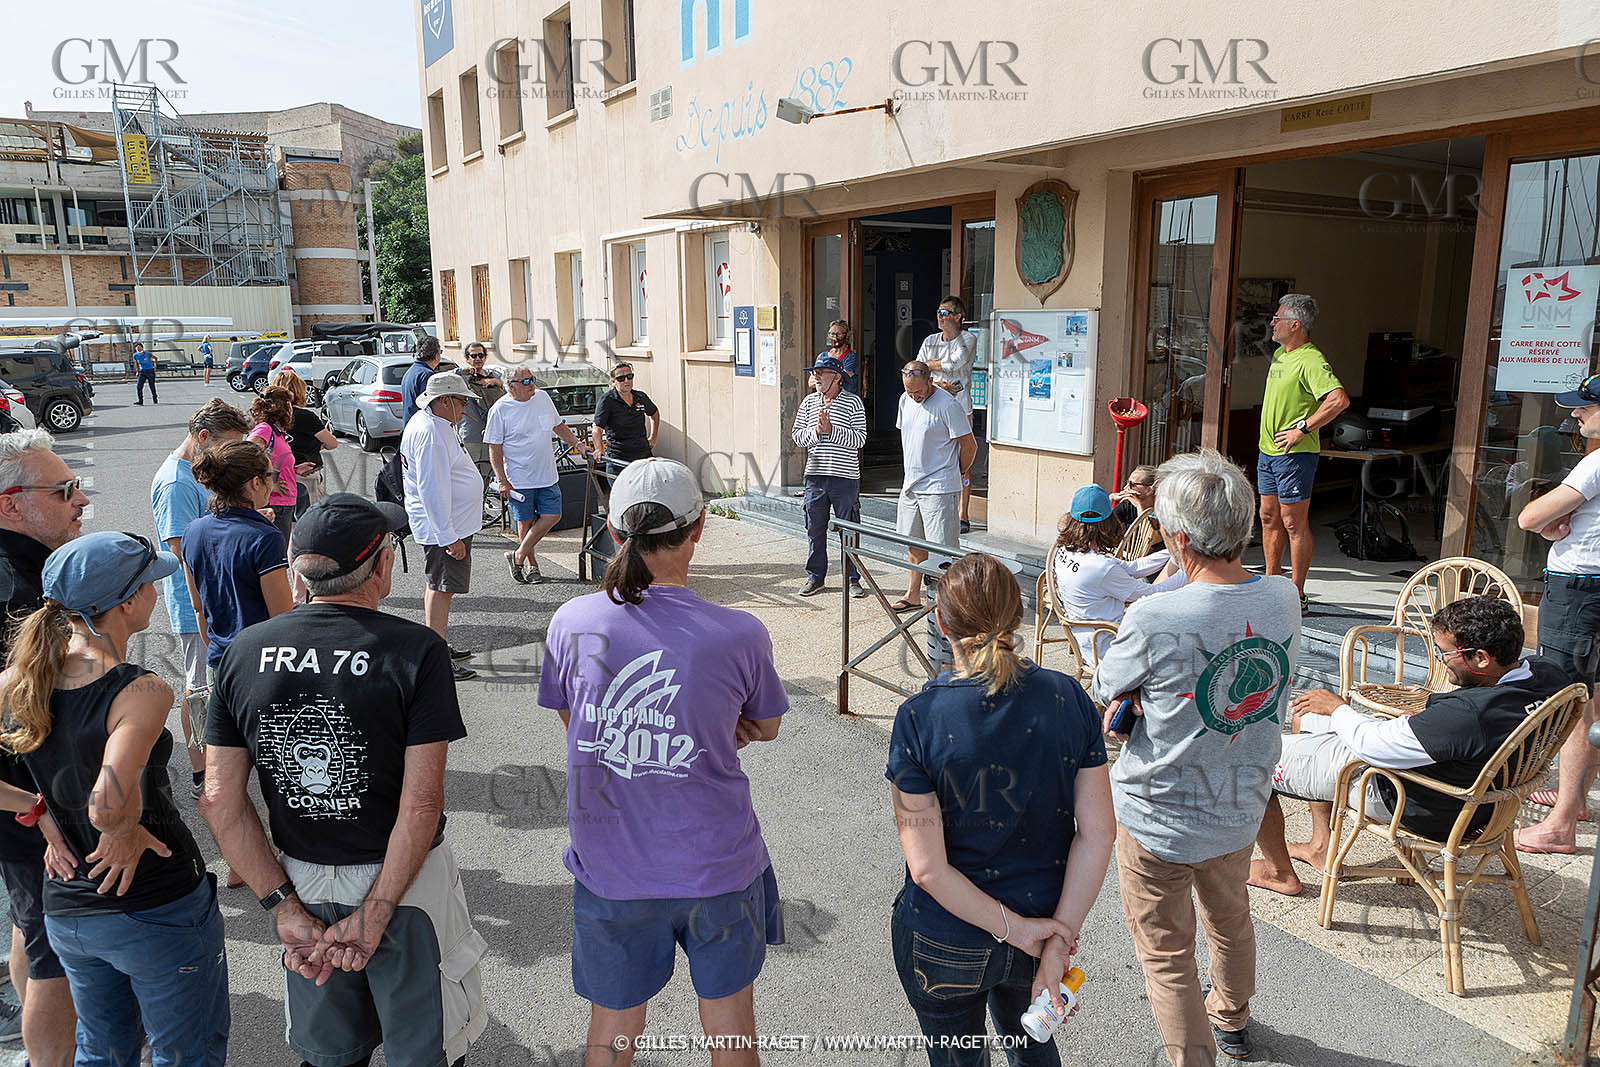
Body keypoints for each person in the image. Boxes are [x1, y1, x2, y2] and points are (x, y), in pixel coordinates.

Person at [200, 493, 485, 1067]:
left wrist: (283, 908)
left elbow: (218, 801)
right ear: (380, 564)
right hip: (406, 889)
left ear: (296, 562)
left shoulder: (243, 652)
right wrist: (377, 910)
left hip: (302, 882)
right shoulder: (417, 651)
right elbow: (421, 802)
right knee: (424, 1052)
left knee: (330, 1056)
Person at [536, 458, 786, 1066]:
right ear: (698, 528)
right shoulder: (739, 632)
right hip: (718, 864)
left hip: (611, 868)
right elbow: (767, 726)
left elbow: (576, 725)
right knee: (731, 1030)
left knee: (612, 1034)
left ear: (615, 534)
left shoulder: (572, 622)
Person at [1091, 449, 1299, 1066]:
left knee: (1166, 953)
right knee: (1231, 921)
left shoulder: (1157, 614)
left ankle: (1192, 1058)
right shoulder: (1284, 596)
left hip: (1160, 810)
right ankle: (1231, 1021)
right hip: (1239, 799)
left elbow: (1108, 683)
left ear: (1178, 538)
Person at [1, 531, 229, 1066]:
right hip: (154, 903)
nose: (156, 590)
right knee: (185, 1052)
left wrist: (40, 812)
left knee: (102, 1050)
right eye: (150, 582)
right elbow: (107, 803)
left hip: (70, 910)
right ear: (127, 603)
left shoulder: (17, 678)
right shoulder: (141, 690)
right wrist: (120, 830)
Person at [888, 552, 1115, 1065]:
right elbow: (1098, 833)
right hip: (1042, 918)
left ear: (940, 621)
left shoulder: (918, 719)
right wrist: (1057, 935)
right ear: (1021, 615)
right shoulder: (1068, 697)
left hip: (946, 935)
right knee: (1033, 1045)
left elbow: (927, 869)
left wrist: (1018, 930)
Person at [1250, 597, 1569, 895]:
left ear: (1481, 658)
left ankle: (1279, 874)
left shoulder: (1469, 715)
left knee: (1252, 762)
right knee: (1306, 722)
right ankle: (1320, 846)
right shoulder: (1548, 674)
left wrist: (1337, 707)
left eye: (1445, 653)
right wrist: (1422, 724)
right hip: (1485, 801)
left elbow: (1371, 745)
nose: (1442, 662)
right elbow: (1452, 726)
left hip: (1414, 799)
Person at [0, 429, 85, 1061]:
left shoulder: (30, 573)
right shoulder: (21, 594)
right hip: (34, 805)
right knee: (55, 953)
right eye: (63, 491)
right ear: (11, 504)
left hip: (23, 807)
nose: (79, 501)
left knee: (31, 929)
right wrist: (38, 809)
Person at [1514, 372, 1600, 854]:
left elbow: (1527, 517)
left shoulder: (1595, 464)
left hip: (1580, 590)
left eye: (1585, 405)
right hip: (1592, 587)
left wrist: (1549, 520)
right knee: (1593, 700)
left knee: (1570, 704)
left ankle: (1560, 825)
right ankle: (1575, 802)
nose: (1575, 412)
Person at [152, 399, 251, 799]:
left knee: (212, 686)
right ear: (203, 437)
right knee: (198, 689)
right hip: (196, 602)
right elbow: (179, 552)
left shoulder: (191, 471)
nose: (229, 456)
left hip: (211, 598)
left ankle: (219, 762)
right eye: (227, 445)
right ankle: (199, 773)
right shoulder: (176, 482)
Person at [1255, 293, 1350, 610]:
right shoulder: (1282, 355)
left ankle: (1296, 593)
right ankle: (1272, 582)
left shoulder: (1311, 359)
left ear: (1295, 325)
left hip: (1296, 456)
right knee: (1269, 518)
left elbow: (1338, 400)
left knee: (1293, 523)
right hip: (1268, 452)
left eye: (1277, 318)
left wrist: (1303, 428)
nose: (1272, 323)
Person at [181, 440, 295, 684]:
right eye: (270, 475)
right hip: (260, 665)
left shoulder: (192, 531)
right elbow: (281, 618)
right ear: (256, 483)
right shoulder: (266, 538)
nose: (272, 481)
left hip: (219, 661)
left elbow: (198, 607)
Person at [400, 372, 483, 681]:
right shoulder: (432, 433)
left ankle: (437, 645)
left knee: (438, 586)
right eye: (462, 401)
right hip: (445, 527)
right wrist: (449, 537)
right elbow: (432, 489)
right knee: (441, 587)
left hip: (447, 524)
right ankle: (435, 656)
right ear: (445, 401)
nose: (465, 408)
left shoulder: (433, 425)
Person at [1051, 484, 1185, 662]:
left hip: (1089, 641)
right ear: (1108, 522)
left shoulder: (1067, 551)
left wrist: (1173, 550)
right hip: (1110, 648)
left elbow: (1132, 568)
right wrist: (1191, 567)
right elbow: (1152, 594)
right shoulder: (1101, 568)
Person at [487, 366, 591, 585]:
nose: (531, 384)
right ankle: (532, 566)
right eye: (525, 381)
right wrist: (502, 480)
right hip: (519, 477)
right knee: (525, 523)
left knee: (553, 515)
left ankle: (517, 555)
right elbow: (494, 449)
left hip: (547, 473)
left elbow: (558, 427)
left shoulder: (543, 398)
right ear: (510, 386)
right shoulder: (500, 409)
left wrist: (579, 445)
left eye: (532, 379)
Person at [892, 361, 976, 613]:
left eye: (918, 392)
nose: (915, 396)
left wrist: (958, 471)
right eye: (909, 391)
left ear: (930, 381)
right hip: (911, 484)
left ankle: (948, 603)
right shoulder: (905, 400)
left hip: (940, 486)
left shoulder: (948, 405)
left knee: (943, 549)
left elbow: (969, 445)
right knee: (913, 542)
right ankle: (913, 594)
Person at [791, 352, 867, 599]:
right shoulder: (808, 403)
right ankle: (815, 577)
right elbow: (797, 436)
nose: (816, 377)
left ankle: (853, 579)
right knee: (815, 528)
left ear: (836, 377)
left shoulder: (853, 403)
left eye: (820, 372)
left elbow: (860, 439)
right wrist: (816, 431)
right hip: (815, 476)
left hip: (845, 478)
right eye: (814, 372)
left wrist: (832, 430)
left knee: (849, 529)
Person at [918, 296, 979, 532]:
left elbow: (955, 363)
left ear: (957, 316)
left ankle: (963, 514)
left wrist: (932, 365)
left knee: (963, 461)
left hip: (960, 407)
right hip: (934, 406)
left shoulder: (968, 338)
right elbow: (918, 365)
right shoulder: (931, 340)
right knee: (936, 455)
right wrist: (939, 379)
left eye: (945, 313)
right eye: (938, 312)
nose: (940, 317)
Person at [248, 388, 299, 549]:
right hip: (273, 505)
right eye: (290, 405)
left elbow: (275, 461)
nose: (292, 410)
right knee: (274, 558)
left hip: (283, 504)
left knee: (278, 555)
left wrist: (295, 470)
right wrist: (270, 485)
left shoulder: (277, 433)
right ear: (283, 408)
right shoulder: (265, 430)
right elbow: (246, 459)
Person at [592, 362, 659, 470]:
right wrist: (598, 449)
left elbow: (654, 413)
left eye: (629, 376)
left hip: (643, 456)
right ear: (613, 381)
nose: (626, 381)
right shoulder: (607, 400)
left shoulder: (640, 397)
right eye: (621, 378)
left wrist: (653, 437)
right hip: (618, 460)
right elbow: (597, 429)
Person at [457, 341, 506, 466]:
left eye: (481, 355)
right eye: (473, 356)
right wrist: (463, 371)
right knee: (470, 473)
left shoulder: (494, 375)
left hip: (491, 435)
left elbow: (509, 400)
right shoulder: (460, 378)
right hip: (470, 435)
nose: (478, 359)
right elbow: (445, 377)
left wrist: (497, 383)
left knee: (488, 472)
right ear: (467, 358)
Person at [401, 335, 442, 424]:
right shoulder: (427, 375)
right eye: (440, 352)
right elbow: (431, 406)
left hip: (411, 424)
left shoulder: (412, 371)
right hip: (422, 425)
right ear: (436, 356)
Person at [1110, 464, 1159, 531]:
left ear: (1149, 490)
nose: (1125, 488)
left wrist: (1139, 506)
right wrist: (1110, 499)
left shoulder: (1161, 511)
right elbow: (1104, 531)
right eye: (1127, 483)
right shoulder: (1126, 506)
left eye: (1131, 484)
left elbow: (1150, 539)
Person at [823, 320, 860, 394]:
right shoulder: (823, 356)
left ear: (846, 336)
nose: (834, 337)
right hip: (826, 400)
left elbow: (842, 377)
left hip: (846, 400)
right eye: (832, 334)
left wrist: (824, 376)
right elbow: (812, 382)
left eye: (838, 334)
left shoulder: (851, 357)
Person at [132, 342, 158, 406]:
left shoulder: (147, 354)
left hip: (150, 371)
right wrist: (137, 371)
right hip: (142, 371)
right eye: (137, 348)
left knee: (151, 385)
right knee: (139, 386)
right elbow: (137, 363)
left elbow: (155, 358)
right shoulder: (135, 355)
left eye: (139, 347)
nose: (138, 349)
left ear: (142, 348)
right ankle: (140, 401)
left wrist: (155, 367)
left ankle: (154, 397)